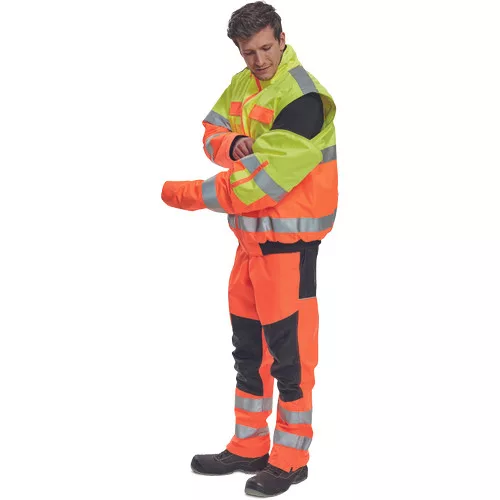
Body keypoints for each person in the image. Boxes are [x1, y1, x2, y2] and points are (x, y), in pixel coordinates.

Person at [161, 1, 337, 496]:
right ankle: (249, 446)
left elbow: (261, 185)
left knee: (292, 361)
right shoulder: (242, 83)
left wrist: (188, 193)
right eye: (247, 52)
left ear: (282, 38)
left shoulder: (304, 99)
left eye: (265, 48)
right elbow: (210, 133)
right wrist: (235, 142)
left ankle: (290, 460)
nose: (259, 60)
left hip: (288, 250)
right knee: (249, 353)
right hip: (249, 245)